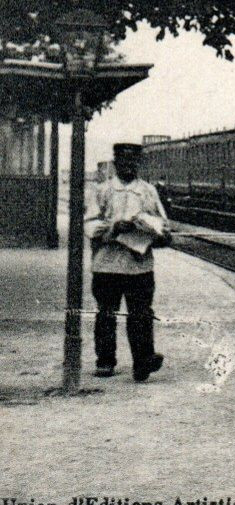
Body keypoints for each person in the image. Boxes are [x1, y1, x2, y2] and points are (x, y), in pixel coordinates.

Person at [85, 143, 169, 381]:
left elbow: (163, 224)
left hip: (139, 264)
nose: (129, 166)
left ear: (139, 163)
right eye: (124, 161)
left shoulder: (148, 192)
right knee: (106, 314)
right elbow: (89, 223)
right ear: (116, 162)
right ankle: (105, 361)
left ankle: (142, 362)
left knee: (141, 314)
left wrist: (152, 229)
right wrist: (114, 227)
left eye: (133, 161)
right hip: (107, 263)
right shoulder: (102, 191)